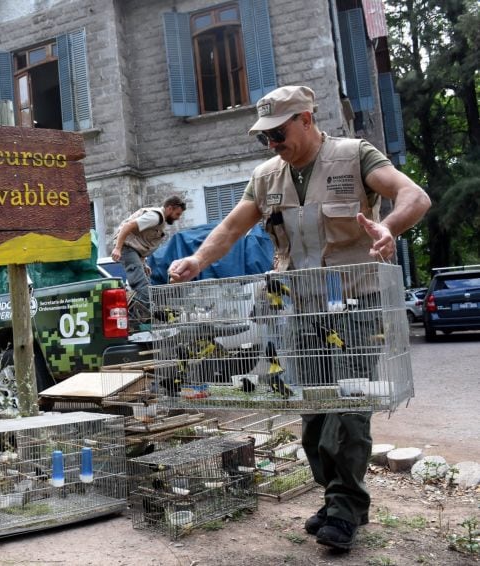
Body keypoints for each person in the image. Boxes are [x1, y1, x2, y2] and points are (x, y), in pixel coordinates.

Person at [168, 85, 430, 552]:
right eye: (263, 138)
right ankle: (336, 497)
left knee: (348, 410)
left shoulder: (355, 155)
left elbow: (415, 196)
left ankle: (345, 509)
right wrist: (197, 262)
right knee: (311, 413)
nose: (271, 144)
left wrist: (387, 228)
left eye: (278, 133)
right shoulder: (267, 176)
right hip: (299, 308)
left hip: (354, 306)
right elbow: (230, 228)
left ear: (306, 120)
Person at [111, 195, 186, 313]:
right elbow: (128, 226)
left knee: (144, 281)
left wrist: (143, 263)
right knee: (141, 284)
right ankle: (148, 315)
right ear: (170, 208)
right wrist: (118, 248)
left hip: (132, 249)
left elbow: (141, 242)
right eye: (177, 214)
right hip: (126, 247)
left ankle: (137, 312)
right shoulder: (155, 217)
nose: (178, 218)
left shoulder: (160, 222)